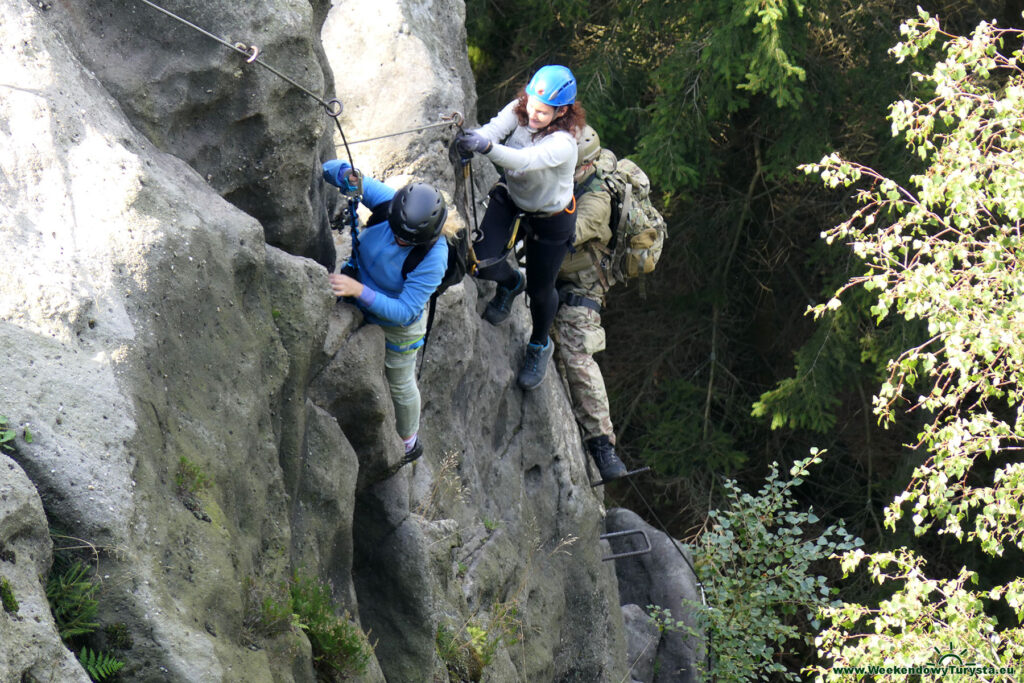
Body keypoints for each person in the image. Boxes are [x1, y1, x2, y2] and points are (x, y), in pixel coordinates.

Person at [455, 64, 585, 391]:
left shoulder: (564, 143)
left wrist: (484, 149)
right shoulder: (521, 109)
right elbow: (494, 129)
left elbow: (526, 161)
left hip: (551, 219)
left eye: (543, 111)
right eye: (531, 104)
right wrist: (478, 138)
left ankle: (539, 344)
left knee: (541, 291)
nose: (534, 114)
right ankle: (511, 283)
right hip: (513, 197)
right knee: (479, 262)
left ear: (563, 111)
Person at [323, 159, 449, 465]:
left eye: (407, 240)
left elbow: (405, 311)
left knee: (400, 382)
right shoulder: (390, 202)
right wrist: (345, 175)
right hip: (358, 291)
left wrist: (358, 291)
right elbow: (330, 167)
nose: (398, 240)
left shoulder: (434, 257)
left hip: (398, 328)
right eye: (396, 232)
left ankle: (409, 441)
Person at [551, 125, 628, 481]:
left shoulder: (596, 202)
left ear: (584, 166)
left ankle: (602, 444)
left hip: (584, 282)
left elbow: (564, 238)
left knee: (577, 354)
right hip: (558, 270)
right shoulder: (575, 169)